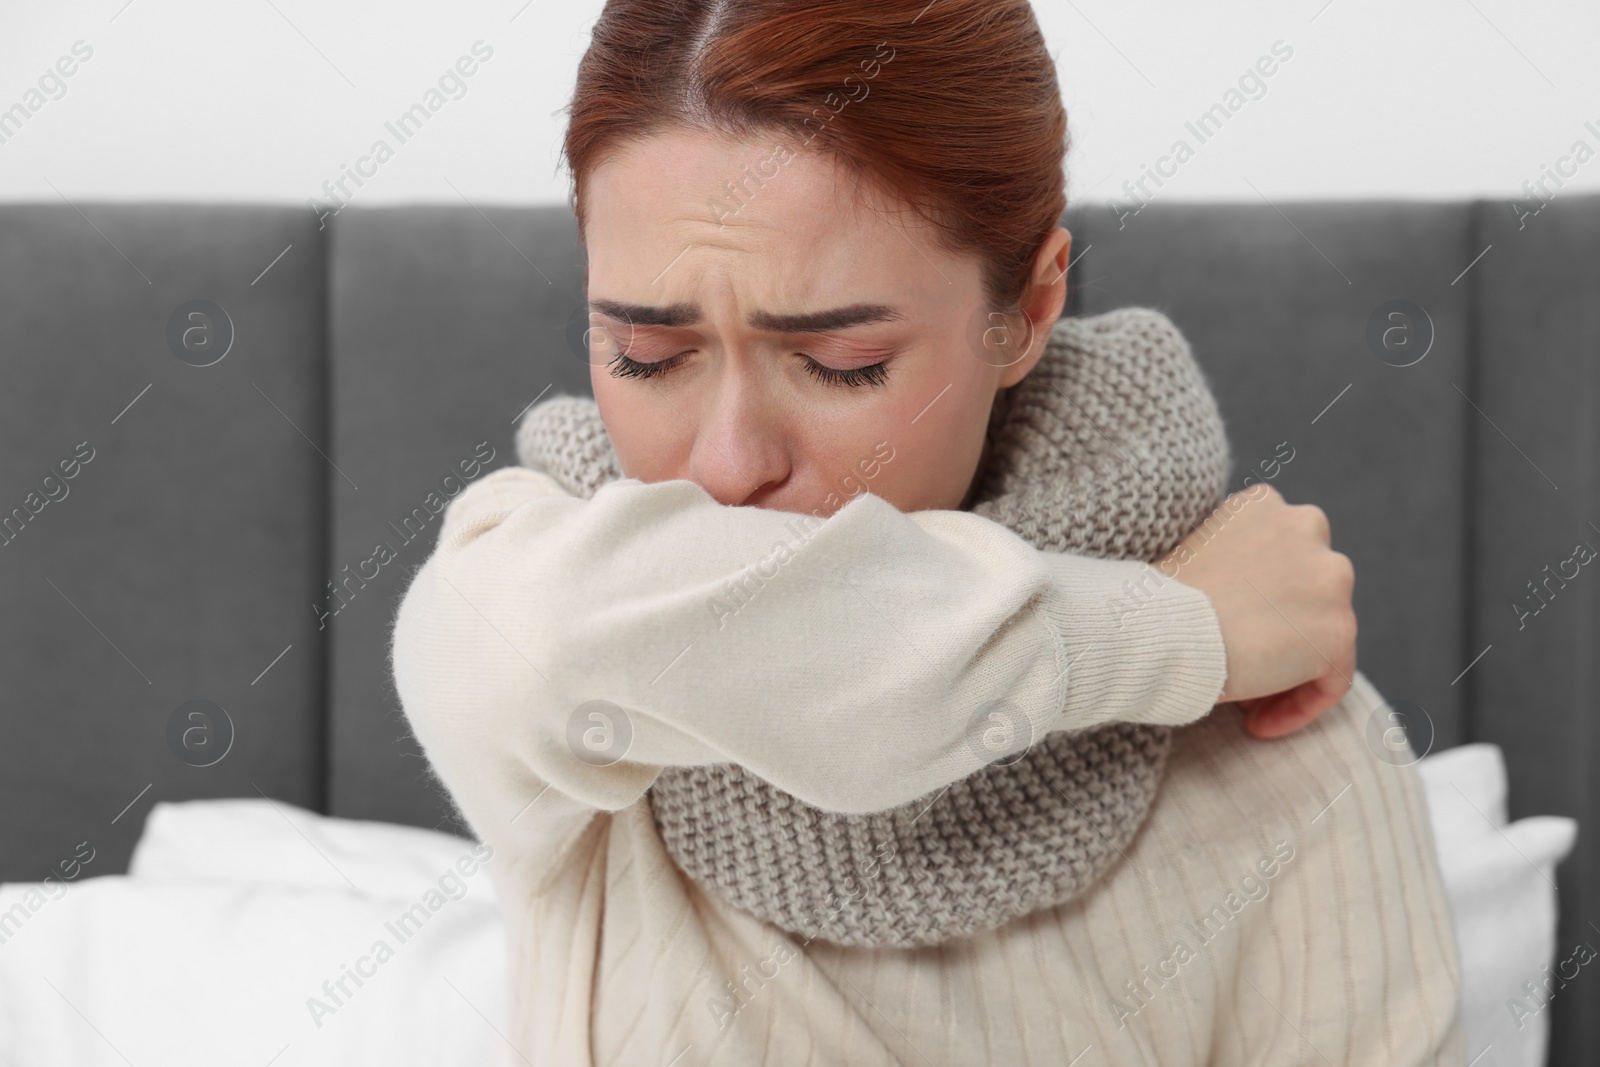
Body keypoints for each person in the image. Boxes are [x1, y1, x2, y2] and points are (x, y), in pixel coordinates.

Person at [388, 1, 1463, 1062]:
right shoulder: (547, 618)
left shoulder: (1283, 749)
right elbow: (566, 637)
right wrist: (1169, 631)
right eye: (646, 354)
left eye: (840, 363)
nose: (725, 461)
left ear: (1028, 311)